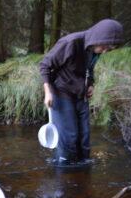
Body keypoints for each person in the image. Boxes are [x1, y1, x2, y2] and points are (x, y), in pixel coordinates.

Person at [39, 19, 123, 166]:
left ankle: (82, 176)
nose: (104, 51)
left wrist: (90, 84)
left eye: (109, 49)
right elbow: (45, 65)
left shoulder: (95, 49)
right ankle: (63, 173)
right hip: (61, 92)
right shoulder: (70, 43)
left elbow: (88, 69)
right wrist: (48, 92)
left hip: (81, 95)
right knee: (69, 138)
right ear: (98, 38)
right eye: (104, 47)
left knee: (84, 140)